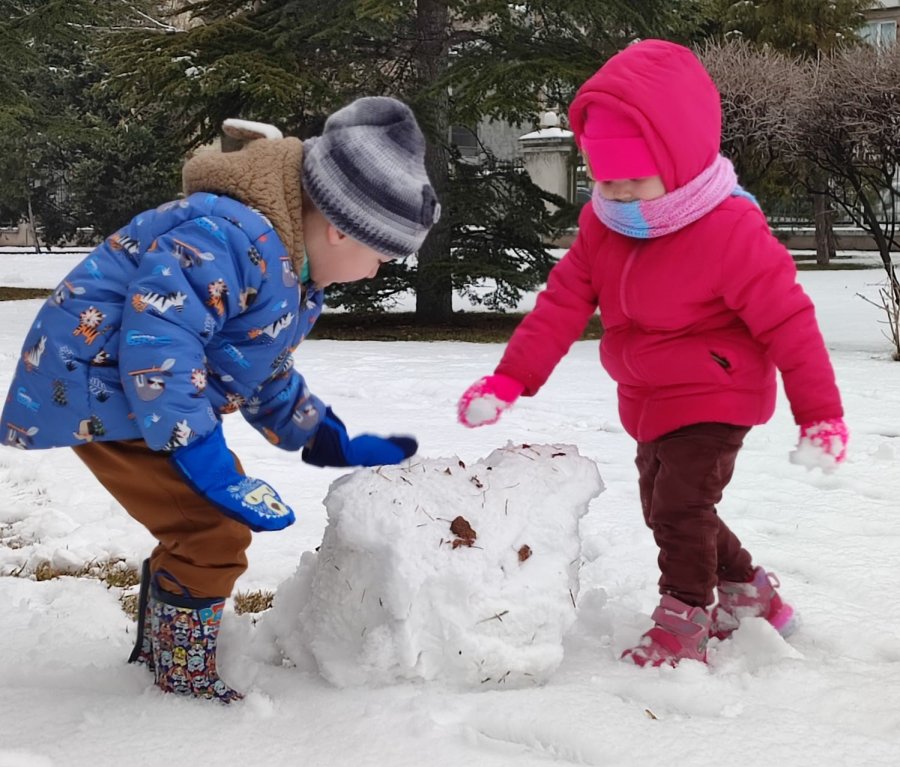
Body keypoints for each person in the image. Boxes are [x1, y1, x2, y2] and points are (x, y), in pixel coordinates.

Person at [2, 96, 441, 701]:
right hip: (100, 389)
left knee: (201, 526)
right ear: (342, 227)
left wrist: (319, 433)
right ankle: (181, 686)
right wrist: (198, 447)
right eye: (381, 256)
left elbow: (254, 366)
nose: (373, 274)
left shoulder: (286, 265)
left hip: (139, 396)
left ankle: (161, 653)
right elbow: (161, 339)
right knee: (213, 532)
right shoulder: (229, 238)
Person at [456, 40, 847, 668]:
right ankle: (749, 593)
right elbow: (560, 305)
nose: (623, 194)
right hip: (649, 396)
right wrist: (510, 381)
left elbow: (790, 323)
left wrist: (820, 413)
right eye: (608, 179)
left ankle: (686, 615)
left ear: (683, 162)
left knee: (680, 507)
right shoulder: (603, 227)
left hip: (719, 390)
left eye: (637, 177)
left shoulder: (729, 230)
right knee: (665, 509)